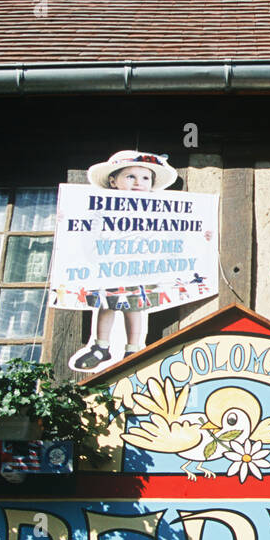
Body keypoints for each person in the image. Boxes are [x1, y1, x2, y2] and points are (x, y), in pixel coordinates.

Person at [69, 150, 179, 373]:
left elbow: (165, 236)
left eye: (145, 178)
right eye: (130, 177)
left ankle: (134, 347)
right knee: (106, 303)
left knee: (134, 305)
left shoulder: (154, 212)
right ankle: (101, 346)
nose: (138, 183)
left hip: (138, 269)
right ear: (113, 180)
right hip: (109, 268)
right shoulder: (101, 208)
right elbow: (89, 233)